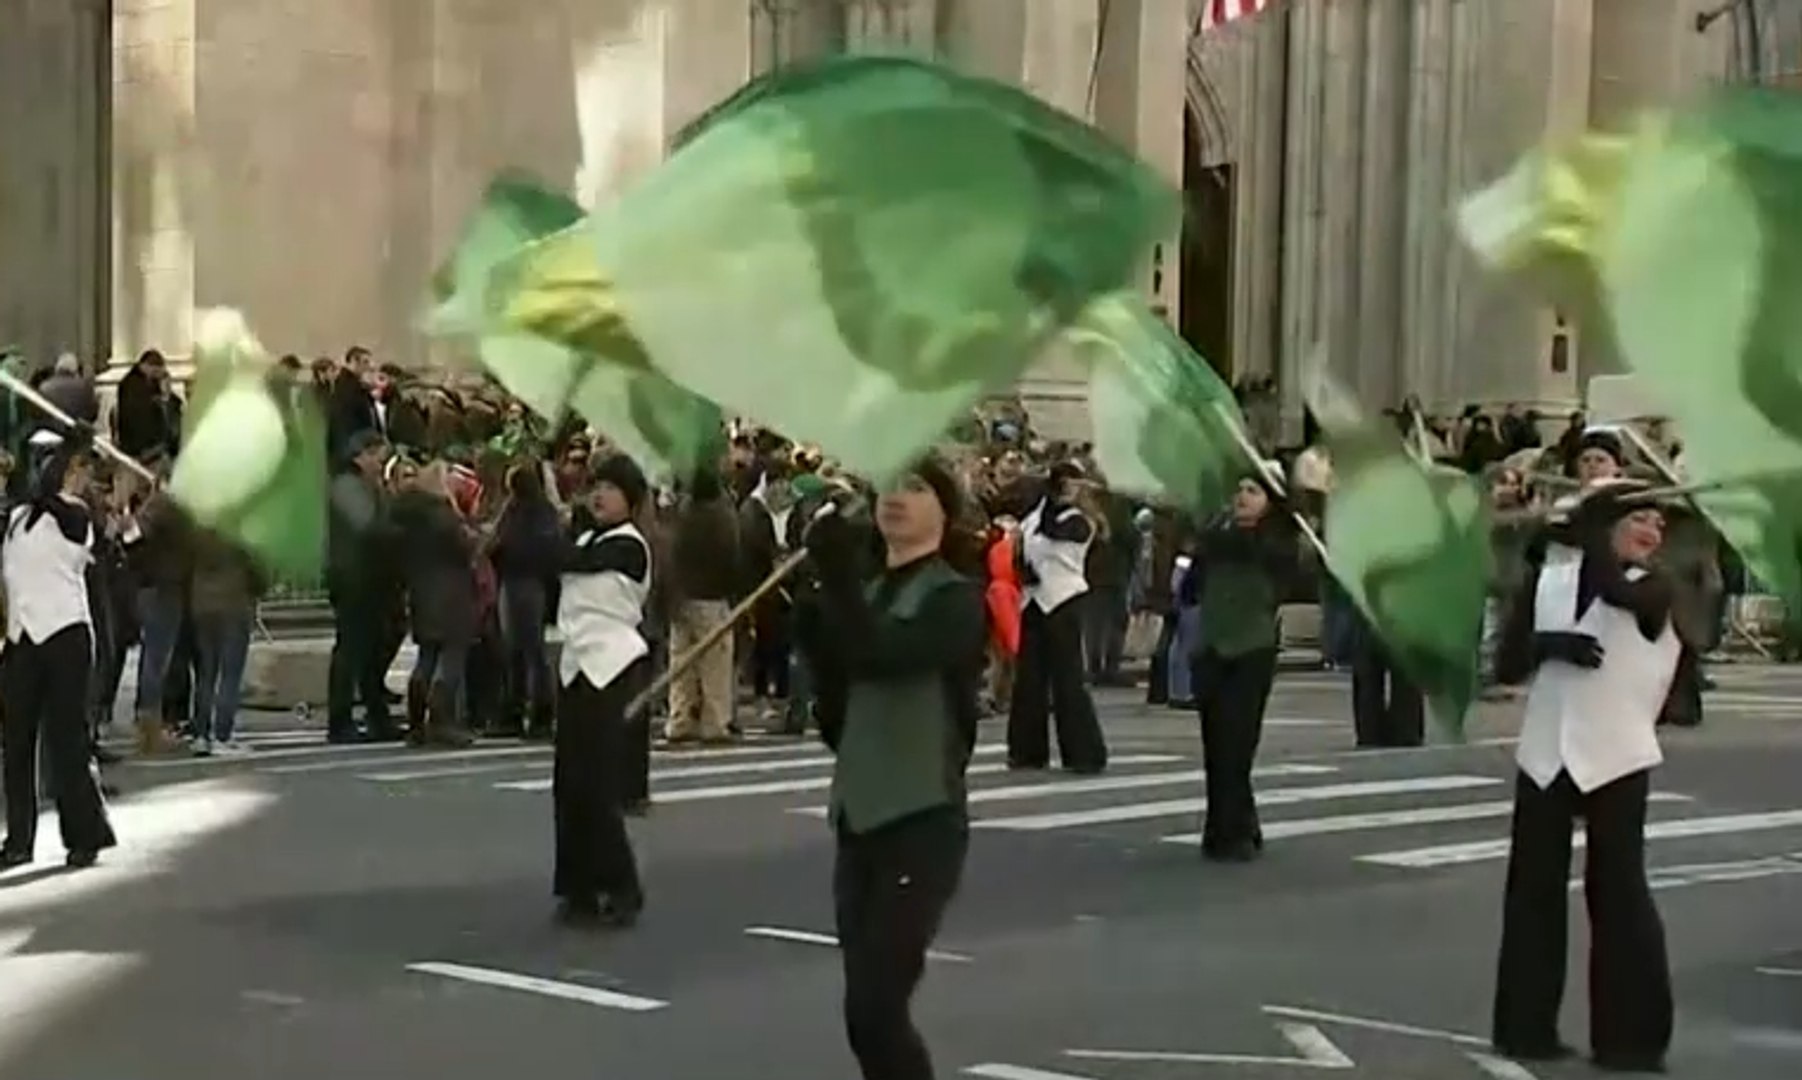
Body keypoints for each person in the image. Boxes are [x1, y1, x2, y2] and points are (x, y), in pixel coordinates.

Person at [796, 456, 985, 1080]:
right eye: (887, 487)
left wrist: (837, 577)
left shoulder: (956, 599)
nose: (895, 498)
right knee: (862, 1013)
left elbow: (883, 656)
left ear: (944, 509)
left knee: (879, 1004)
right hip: (858, 818)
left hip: (921, 819)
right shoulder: (869, 590)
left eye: (916, 487)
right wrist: (813, 627)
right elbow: (838, 717)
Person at [1491, 482, 1679, 1073]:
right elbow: (1506, 661)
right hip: (1546, 752)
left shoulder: (1656, 587)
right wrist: (1547, 643)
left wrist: (1592, 532)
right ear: (1607, 526)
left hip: (1616, 754)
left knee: (1618, 893)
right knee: (1532, 895)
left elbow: (1622, 596)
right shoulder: (1551, 581)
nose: (1652, 532)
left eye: (1658, 523)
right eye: (1639, 519)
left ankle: (1631, 1040)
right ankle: (1525, 1029)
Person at [1, 428, 116, 870]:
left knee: (66, 741)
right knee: (15, 744)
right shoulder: (15, 518)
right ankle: (19, 839)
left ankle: (84, 836)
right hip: (21, 639)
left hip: (65, 635)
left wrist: (72, 448)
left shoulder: (76, 514)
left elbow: (70, 525)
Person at [553, 453, 653, 928]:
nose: (599, 495)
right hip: (577, 665)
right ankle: (578, 886)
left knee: (598, 784)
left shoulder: (630, 545)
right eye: (595, 487)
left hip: (614, 665)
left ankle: (622, 887)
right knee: (569, 784)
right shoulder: (587, 536)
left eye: (610, 488)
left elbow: (574, 560)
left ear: (631, 498)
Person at [1182, 470, 1297, 862]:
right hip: (1211, 646)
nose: (1242, 497)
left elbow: (1277, 561)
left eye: (1253, 491)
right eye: (1239, 489)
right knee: (1215, 745)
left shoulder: (1277, 539)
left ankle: (1237, 831)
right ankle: (1226, 826)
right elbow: (1194, 580)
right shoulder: (1217, 532)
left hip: (1251, 648)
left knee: (1237, 743)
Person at [1007, 460, 1107, 773]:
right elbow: (1020, 545)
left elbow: (1056, 532)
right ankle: (1026, 751)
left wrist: (1052, 499)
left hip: (1065, 600)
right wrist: (1022, 570)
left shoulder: (1082, 521)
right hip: (1034, 601)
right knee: (1029, 681)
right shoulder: (1033, 517)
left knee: (1068, 680)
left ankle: (1083, 753)